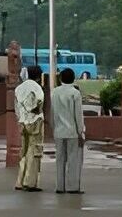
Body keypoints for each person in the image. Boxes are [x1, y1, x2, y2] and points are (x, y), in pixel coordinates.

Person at [50, 67, 86, 195]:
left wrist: (53, 128)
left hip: (58, 131)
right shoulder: (75, 93)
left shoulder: (55, 92)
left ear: (60, 78)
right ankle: (72, 187)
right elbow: (78, 115)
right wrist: (81, 132)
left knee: (59, 159)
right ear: (73, 78)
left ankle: (60, 186)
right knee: (73, 159)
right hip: (72, 132)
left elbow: (52, 113)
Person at [14, 62, 45, 191]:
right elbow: (38, 105)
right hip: (35, 121)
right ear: (39, 76)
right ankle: (30, 182)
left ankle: (19, 181)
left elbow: (16, 106)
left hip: (22, 121)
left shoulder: (19, 88)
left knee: (24, 151)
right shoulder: (37, 88)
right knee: (34, 151)